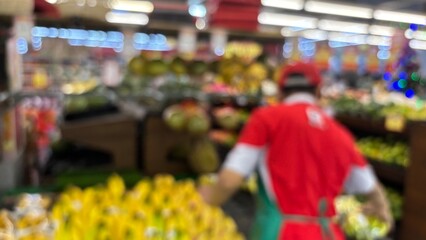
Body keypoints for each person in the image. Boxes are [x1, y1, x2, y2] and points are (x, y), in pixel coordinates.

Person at [198, 61, 392, 240]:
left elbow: (230, 179)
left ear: (281, 92)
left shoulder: (266, 119)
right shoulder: (340, 133)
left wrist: (206, 200)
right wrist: (382, 209)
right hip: (326, 233)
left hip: (279, 232)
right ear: (318, 91)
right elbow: (370, 186)